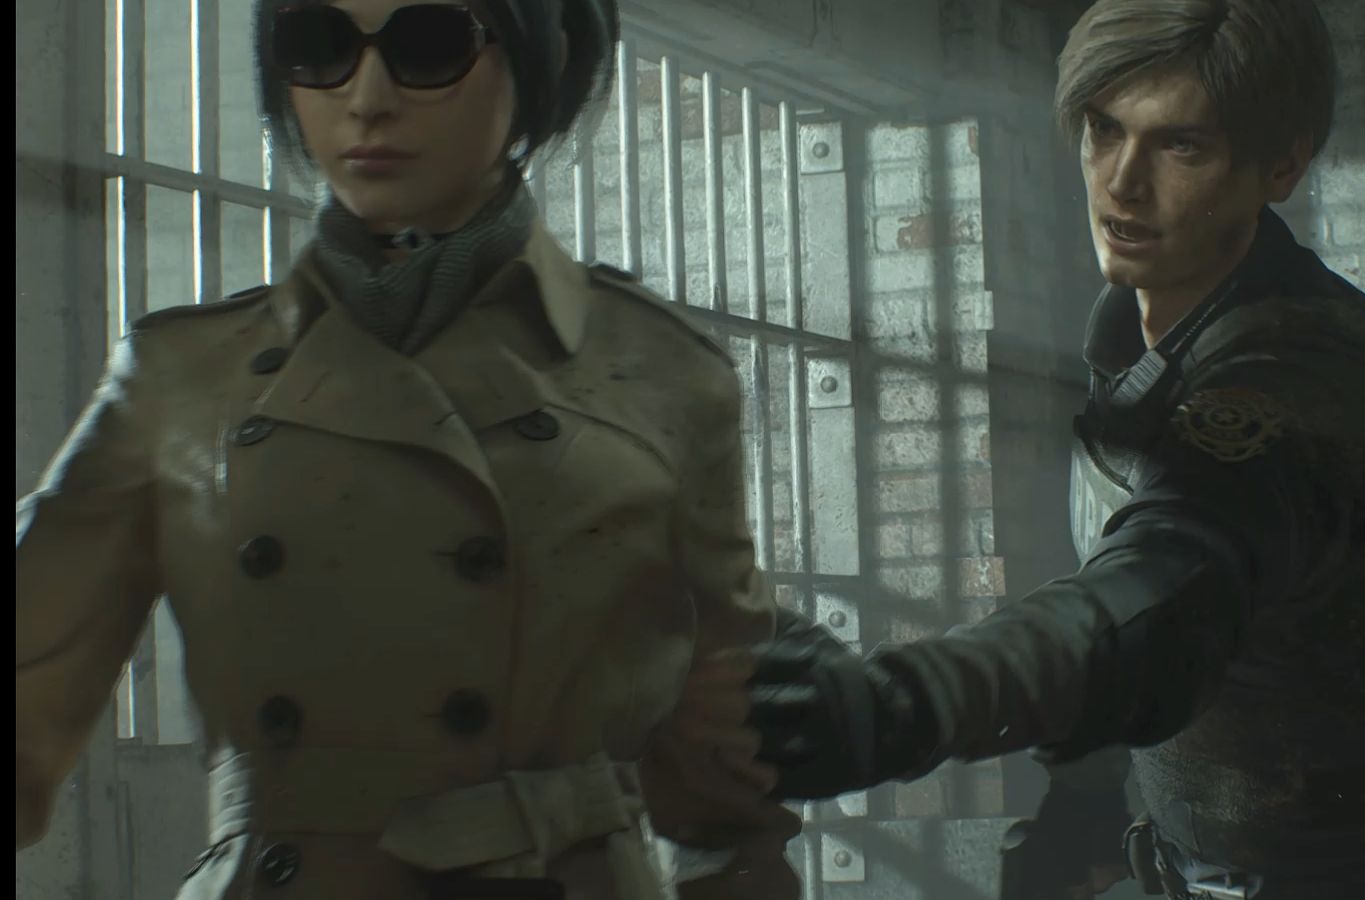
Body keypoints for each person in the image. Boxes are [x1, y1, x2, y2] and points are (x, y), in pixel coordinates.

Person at [742, 1, 1365, 898]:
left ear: (1280, 164)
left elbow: (1157, 587)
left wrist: (894, 708)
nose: (1121, 184)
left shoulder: (1293, 378)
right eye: (1104, 130)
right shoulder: (1144, 342)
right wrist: (1084, 805)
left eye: (1181, 146)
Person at [15, 2, 798, 898]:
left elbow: (727, 784)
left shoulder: (662, 372)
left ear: (536, 62)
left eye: (429, 46)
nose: (366, 98)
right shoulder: (180, 377)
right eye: (319, 47)